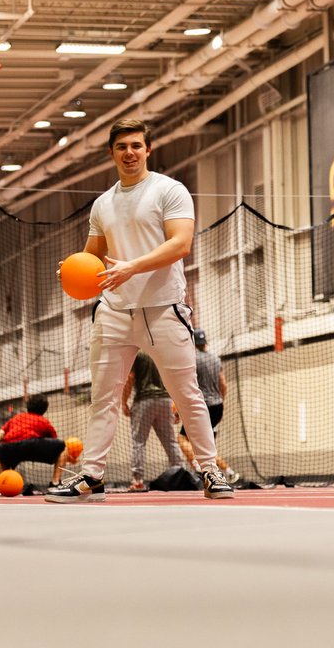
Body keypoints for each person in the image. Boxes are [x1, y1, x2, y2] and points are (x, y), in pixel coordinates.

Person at [46, 117, 234, 502]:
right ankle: (93, 476)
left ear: (149, 149)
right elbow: (93, 255)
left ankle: (211, 471)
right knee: (104, 397)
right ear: (111, 153)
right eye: (121, 147)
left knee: (187, 394)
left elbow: (181, 244)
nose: (129, 153)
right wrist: (72, 268)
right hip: (114, 311)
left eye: (136, 146)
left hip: (164, 308)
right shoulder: (102, 204)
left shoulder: (170, 190)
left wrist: (132, 266)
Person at [122, 350, 191, 490]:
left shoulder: (136, 352)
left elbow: (130, 377)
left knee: (139, 442)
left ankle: (138, 480)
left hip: (144, 399)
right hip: (165, 400)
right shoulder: (163, 351)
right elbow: (174, 379)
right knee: (170, 441)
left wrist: (123, 402)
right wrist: (176, 406)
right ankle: (180, 474)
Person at [0, 394, 72, 488]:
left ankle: (7, 482)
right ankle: (55, 483)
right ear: (44, 409)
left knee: (0, 448)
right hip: (33, 445)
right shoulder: (44, 421)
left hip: (9, 449)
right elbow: (55, 444)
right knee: (63, 447)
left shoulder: (15, 418)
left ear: (27, 406)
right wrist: (69, 457)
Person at [187, 328, 240, 484]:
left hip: (203, 406)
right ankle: (228, 472)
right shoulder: (215, 359)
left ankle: (200, 468)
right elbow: (223, 383)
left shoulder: (193, 359)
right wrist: (221, 401)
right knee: (208, 444)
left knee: (184, 438)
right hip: (218, 406)